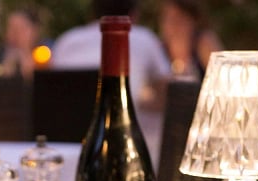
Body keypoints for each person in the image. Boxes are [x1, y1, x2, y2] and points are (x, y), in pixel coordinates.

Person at [51, 0, 171, 163]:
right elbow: (168, 95)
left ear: (92, 14)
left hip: (65, 147)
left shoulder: (66, 41)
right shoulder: (143, 37)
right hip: (128, 150)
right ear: (134, 14)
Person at [158, 0, 223, 80]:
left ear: (193, 21)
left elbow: (221, 76)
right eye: (169, 18)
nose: (173, 25)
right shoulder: (159, 49)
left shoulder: (204, 43)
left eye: (179, 19)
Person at [0, 7, 44, 80]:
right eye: (10, 29)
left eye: (20, 29)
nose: (13, 35)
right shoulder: (1, 55)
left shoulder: (46, 53)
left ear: (34, 31)